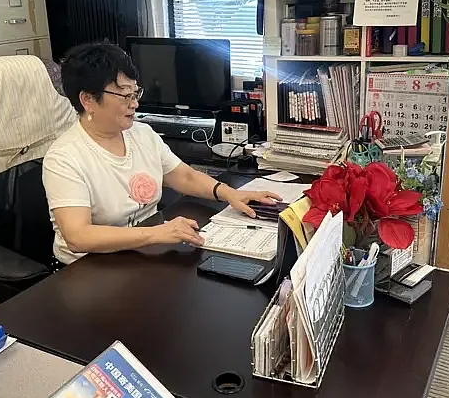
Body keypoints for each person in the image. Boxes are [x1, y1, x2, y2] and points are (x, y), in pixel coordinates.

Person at [43, 42, 281, 265]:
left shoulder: (141, 133)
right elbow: (78, 236)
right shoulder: (65, 157)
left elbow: (183, 176)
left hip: (139, 253)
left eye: (135, 93)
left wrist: (230, 194)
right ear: (88, 100)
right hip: (87, 267)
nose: (134, 103)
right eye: (124, 95)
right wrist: (158, 233)